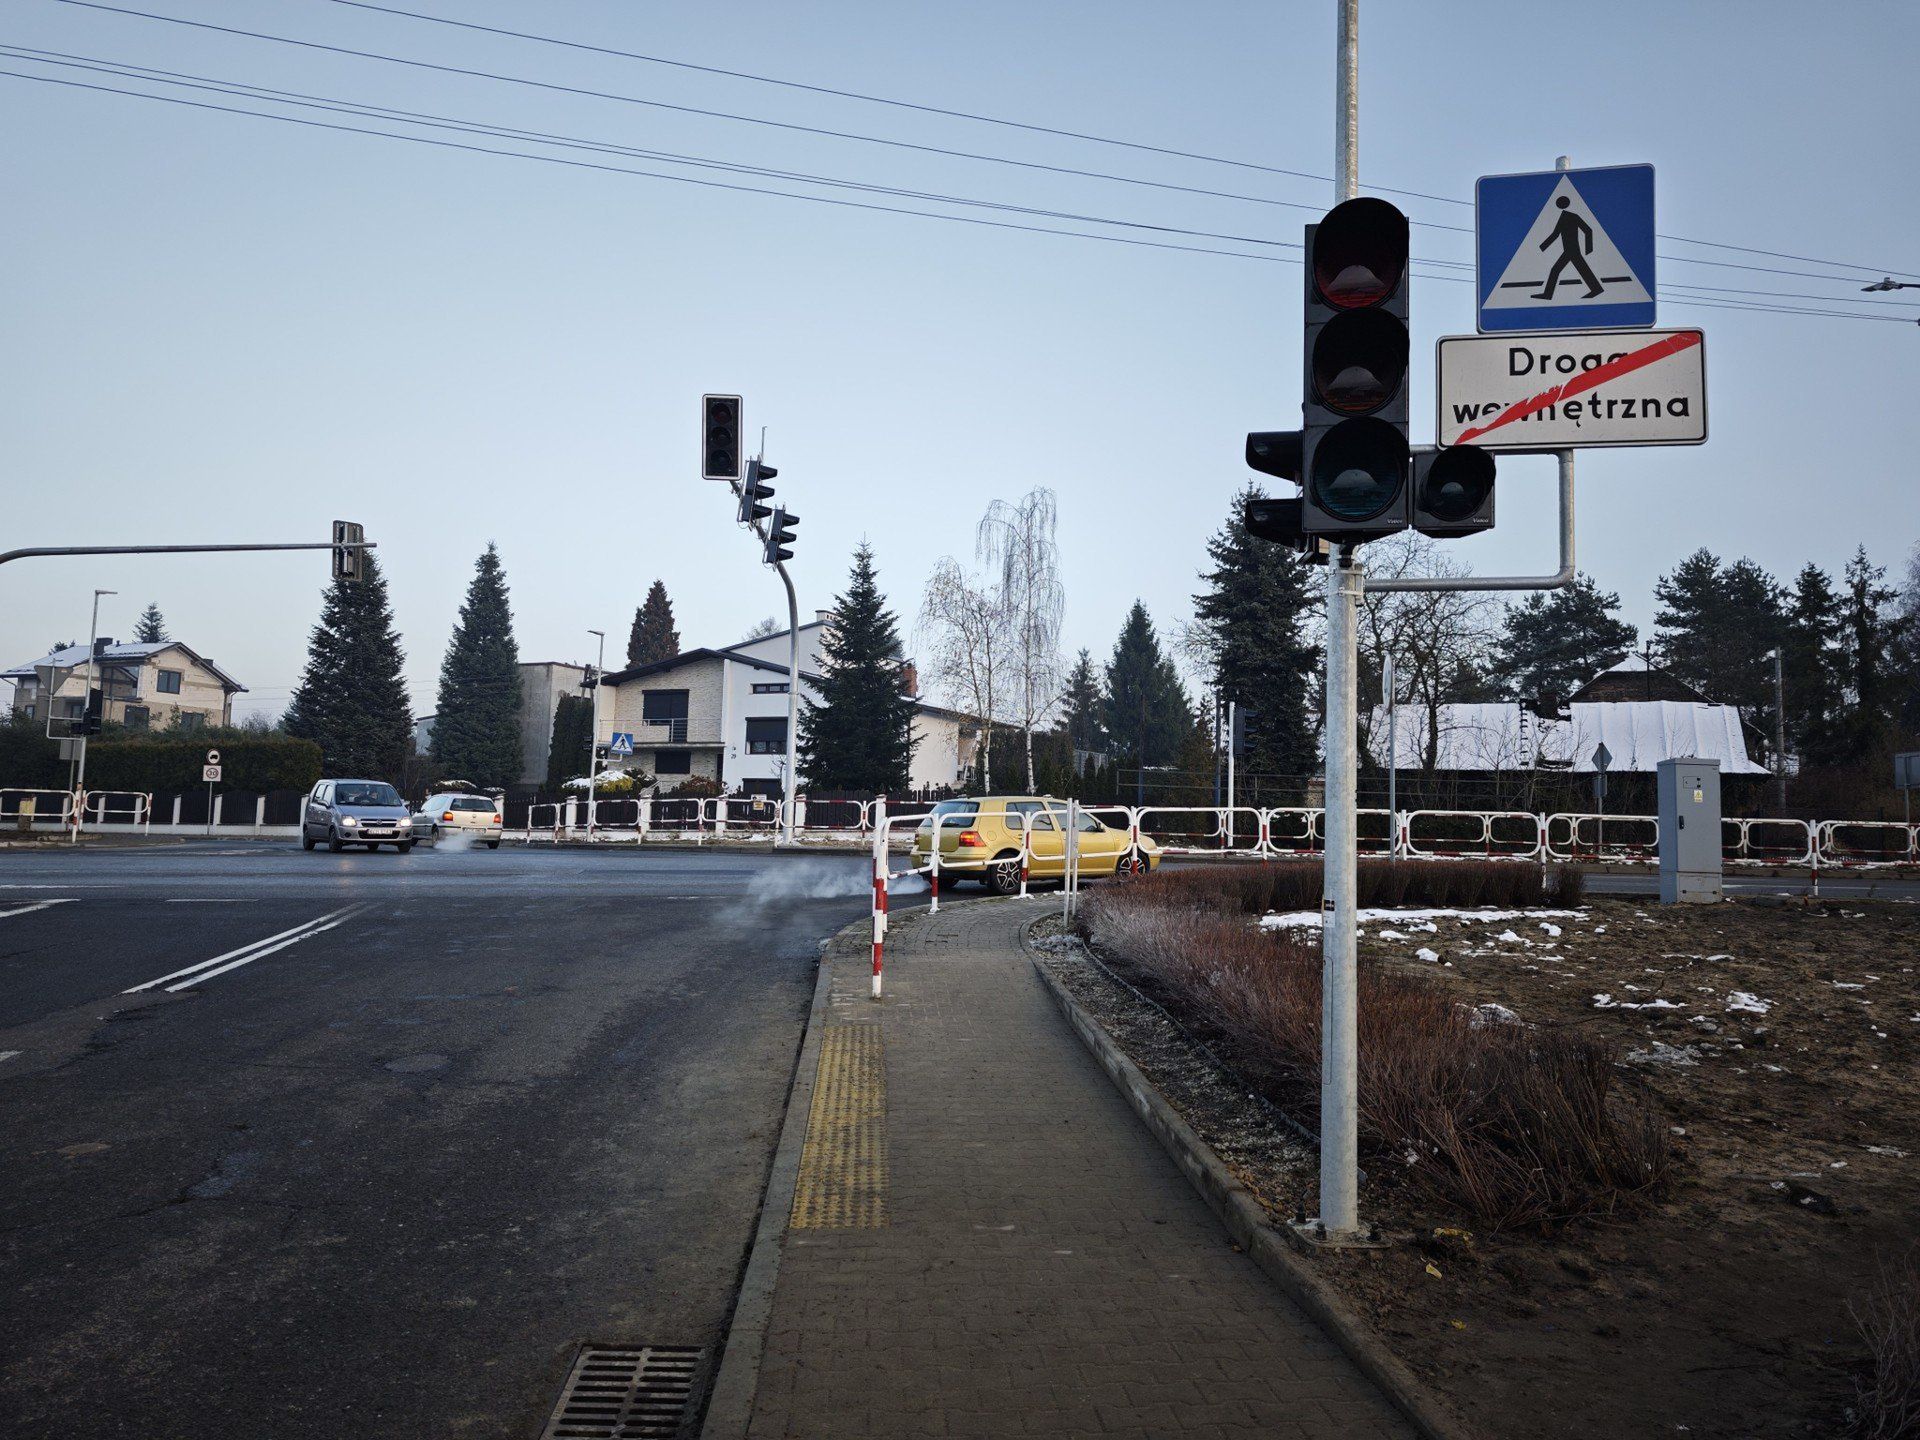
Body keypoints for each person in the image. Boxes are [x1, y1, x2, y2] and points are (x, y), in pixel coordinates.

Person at [1533, 196, 1604, 300]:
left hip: (1572, 249)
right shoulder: (1565, 216)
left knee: (1556, 270)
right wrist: (1541, 247)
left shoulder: (1569, 216)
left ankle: (1548, 294)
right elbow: (1556, 234)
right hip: (1569, 250)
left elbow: (1588, 230)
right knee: (1577, 269)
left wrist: (1588, 249)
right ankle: (1596, 288)